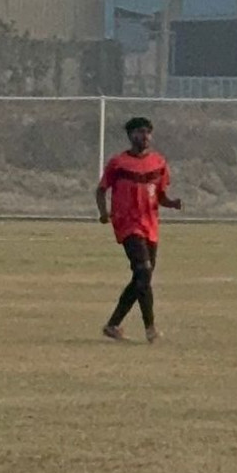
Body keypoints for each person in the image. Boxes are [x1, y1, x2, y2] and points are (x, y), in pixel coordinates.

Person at [97, 116, 182, 343]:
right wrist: (104, 213)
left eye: (147, 132)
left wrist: (172, 203)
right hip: (128, 224)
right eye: (139, 132)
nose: (144, 136)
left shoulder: (159, 162)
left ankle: (113, 325)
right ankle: (150, 329)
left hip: (150, 225)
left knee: (141, 278)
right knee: (144, 271)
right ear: (130, 135)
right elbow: (101, 189)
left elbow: (160, 195)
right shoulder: (118, 163)